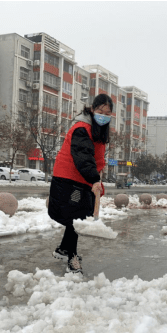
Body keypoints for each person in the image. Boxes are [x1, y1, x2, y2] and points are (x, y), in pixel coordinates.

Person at [48, 93, 112, 275]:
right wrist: (93, 178)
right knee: (75, 216)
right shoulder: (82, 127)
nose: (104, 115)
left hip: (81, 178)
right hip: (70, 178)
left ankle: (63, 249)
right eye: (100, 111)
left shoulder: (97, 128)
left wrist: (96, 179)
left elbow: (95, 157)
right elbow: (83, 156)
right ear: (93, 109)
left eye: (107, 113)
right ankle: (72, 258)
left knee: (77, 215)